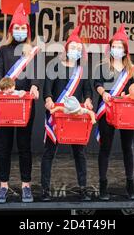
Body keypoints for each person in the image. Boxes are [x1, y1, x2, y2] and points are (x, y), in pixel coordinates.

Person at [0, 3, 40, 204]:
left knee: (24, 146)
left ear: (27, 31)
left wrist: (35, 87)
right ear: (11, 30)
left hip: (25, 104)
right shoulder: (3, 50)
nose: (19, 31)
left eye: (23, 28)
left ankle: (26, 186)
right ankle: (3, 186)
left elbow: (36, 75)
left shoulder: (32, 51)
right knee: (4, 147)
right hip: (5, 104)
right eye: (16, 28)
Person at [41, 25, 93, 202]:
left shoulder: (82, 70)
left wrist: (88, 100)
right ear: (66, 48)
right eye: (73, 47)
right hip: (57, 114)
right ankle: (45, 190)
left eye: (79, 49)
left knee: (80, 153)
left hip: (76, 115)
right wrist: (48, 99)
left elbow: (88, 91)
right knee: (49, 152)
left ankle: (83, 188)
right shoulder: (54, 65)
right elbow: (47, 88)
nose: (75, 51)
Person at [93, 25, 134, 201]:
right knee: (105, 147)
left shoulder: (132, 70)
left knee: (128, 147)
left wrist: (130, 95)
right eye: (114, 46)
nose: (117, 49)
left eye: (120, 46)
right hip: (107, 110)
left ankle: (130, 184)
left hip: (127, 112)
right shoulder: (102, 66)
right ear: (110, 48)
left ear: (125, 50)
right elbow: (96, 83)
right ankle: (103, 185)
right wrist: (103, 93)